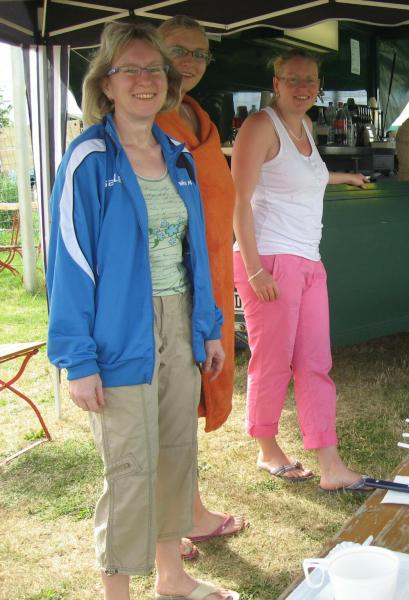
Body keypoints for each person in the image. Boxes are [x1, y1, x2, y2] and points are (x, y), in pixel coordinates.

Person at [45, 21, 237, 600]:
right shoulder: (88, 158)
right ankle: (118, 594)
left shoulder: (177, 156)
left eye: (154, 69)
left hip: (179, 321)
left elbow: (194, 251)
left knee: (176, 453)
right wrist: (78, 360)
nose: (144, 79)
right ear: (106, 83)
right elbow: (69, 263)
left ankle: (171, 578)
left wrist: (208, 328)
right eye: (129, 69)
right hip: (117, 334)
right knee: (130, 468)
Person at [231, 49, 370, 491]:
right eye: (292, 79)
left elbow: (305, 177)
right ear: (276, 83)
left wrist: (345, 177)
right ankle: (267, 448)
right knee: (272, 360)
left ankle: (331, 466)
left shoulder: (305, 125)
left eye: (310, 80)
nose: (303, 87)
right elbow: (239, 200)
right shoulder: (260, 126)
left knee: (315, 363)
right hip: (270, 260)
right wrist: (255, 270)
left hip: (309, 259)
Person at [154, 15, 247, 559]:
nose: (188, 61)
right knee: (164, 404)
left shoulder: (197, 114)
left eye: (199, 53)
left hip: (207, 281)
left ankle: (186, 509)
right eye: (178, 50)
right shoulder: (145, 117)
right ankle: (166, 523)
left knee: (186, 398)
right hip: (169, 284)